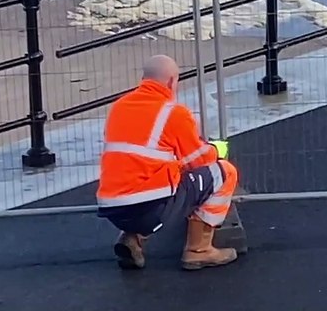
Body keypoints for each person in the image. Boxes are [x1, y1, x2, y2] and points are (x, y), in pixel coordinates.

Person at [95, 55, 239, 271]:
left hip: (112, 207)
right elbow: (199, 161)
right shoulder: (174, 112)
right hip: (148, 207)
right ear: (172, 81)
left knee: (148, 181)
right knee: (224, 172)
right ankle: (199, 250)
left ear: (144, 79)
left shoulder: (119, 107)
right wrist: (216, 149)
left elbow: (141, 157)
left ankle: (132, 239)